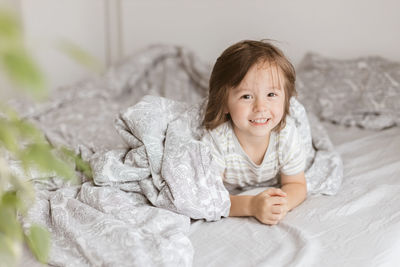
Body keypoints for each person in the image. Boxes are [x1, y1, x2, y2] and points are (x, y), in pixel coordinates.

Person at [202, 40, 307, 225]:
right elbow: (211, 197)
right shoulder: (217, 140)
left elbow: (297, 184)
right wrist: (251, 205)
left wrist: (282, 204)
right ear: (225, 103)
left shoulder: (286, 134)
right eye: (246, 96)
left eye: (271, 95)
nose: (260, 107)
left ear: (285, 98)